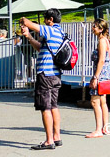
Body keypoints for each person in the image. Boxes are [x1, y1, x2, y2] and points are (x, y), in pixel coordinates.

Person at [20, 8, 65, 150]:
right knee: (53, 106)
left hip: (45, 74)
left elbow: (31, 24)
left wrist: (24, 21)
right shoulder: (60, 33)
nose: (45, 21)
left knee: (45, 107)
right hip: (55, 74)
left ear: (50, 19)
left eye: (45, 19)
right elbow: (41, 48)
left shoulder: (50, 30)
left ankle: (49, 140)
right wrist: (28, 37)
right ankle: (56, 137)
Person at [86, 18, 110, 138]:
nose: (92, 28)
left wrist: (95, 77)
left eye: (95, 26)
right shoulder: (106, 40)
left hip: (101, 74)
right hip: (107, 73)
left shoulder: (102, 41)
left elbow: (101, 60)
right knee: (103, 102)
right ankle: (105, 127)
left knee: (94, 101)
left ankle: (98, 129)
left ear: (101, 29)